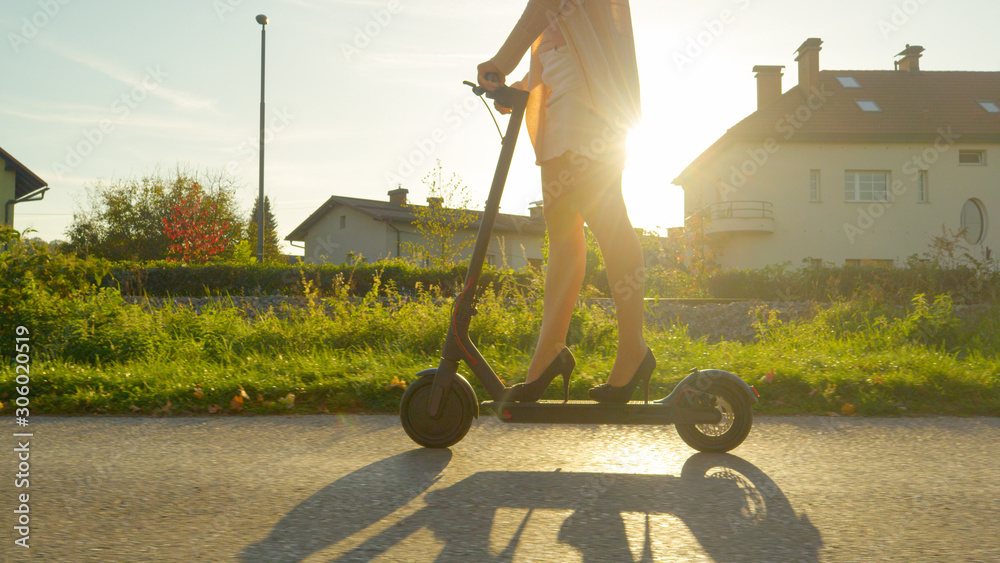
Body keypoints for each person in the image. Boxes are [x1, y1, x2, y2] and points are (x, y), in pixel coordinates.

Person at [477, 0, 653, 404]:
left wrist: (501, 60)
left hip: (589, 99)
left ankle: (633, 350)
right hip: (560, 94)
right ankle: (550, 352)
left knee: (607, 218)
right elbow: (560, 35)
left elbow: (547, 7)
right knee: (561, 228)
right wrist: (521, 86)